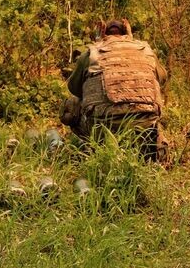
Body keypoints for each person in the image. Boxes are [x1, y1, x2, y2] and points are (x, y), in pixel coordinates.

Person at [62, 19, 168, 162]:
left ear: (102, 33)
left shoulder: (92, 53)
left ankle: (95, 149)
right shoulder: (146, 51)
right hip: (145, 127)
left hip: (105, 128)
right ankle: (147, 149)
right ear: (127, 33)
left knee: (72, 104)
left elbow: (74, 88)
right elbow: (162, 78)